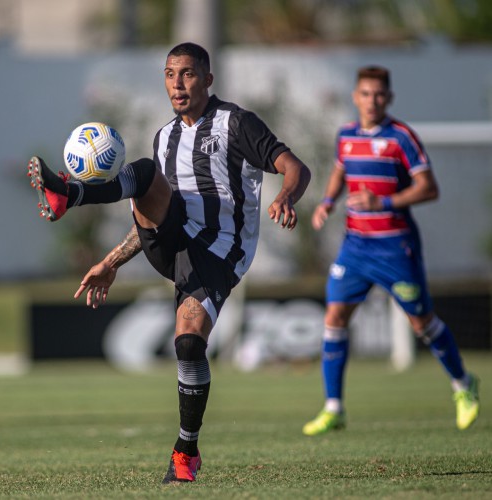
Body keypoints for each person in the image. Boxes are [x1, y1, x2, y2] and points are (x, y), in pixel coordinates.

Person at [28, 42, 311, 483]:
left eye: (188, 74)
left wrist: (287, 194)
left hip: (220, 253)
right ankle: (71, 194)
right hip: (172, 242)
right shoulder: (165, 137)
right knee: (144, 173)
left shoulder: (236, 123)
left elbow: (295, 167)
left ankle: (186, 451)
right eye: (169, 74)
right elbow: (156, 204)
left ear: (208, 79)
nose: (177, 84)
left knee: (188, 345)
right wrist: (112, 261)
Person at [302, 66, 480, 436]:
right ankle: (334, 407)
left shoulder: (402, 137)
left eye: (379, 94)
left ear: (389, 98)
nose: (372, 101)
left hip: (395, 247)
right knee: (334, 316)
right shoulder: (346, 135)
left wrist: (383, 201)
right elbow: (340, 170)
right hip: (355, 246)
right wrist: (328, 201)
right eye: (366, 94)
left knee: (422, 324)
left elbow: (429, 188)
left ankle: (463, 385)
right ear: (355, 97)